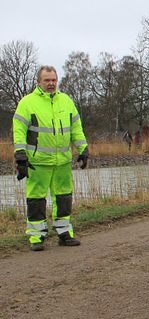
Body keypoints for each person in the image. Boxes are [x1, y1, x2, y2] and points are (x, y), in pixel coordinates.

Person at [12, 65, 89, 251]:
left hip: (62, 161)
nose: (51, 83)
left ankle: (64, 234)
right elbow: (19, 131)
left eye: (54, 80)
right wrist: (20, 155)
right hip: (37, 163)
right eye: (47, 80)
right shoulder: (27, 103)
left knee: (63, 198)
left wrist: (83, 148)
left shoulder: (66, 101)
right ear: (38, 82)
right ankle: (36, 237)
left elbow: (76, 128)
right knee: (36, 199)